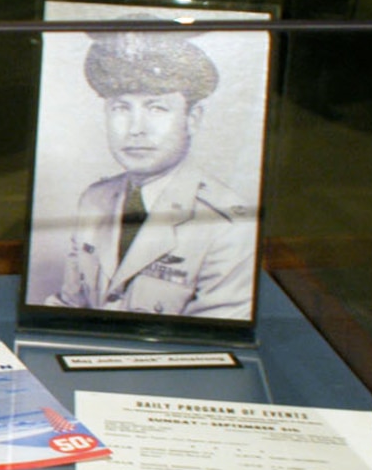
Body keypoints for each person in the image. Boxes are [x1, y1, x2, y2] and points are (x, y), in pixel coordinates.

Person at [47, 32, 255, 318]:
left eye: (156, 108)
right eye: (121, 107)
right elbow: (70, 307)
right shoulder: (95, 200)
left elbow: (210, 338)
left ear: (192, 119)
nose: (136, 128)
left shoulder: (229, 225)